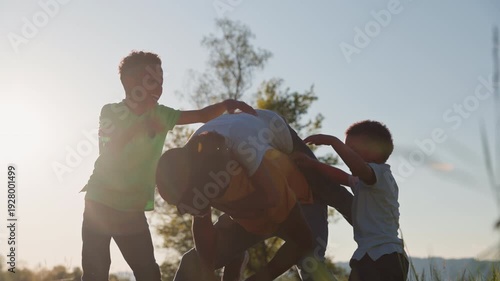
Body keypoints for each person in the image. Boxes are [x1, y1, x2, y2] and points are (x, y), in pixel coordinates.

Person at [80, 50, 256, 281]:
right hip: (99, 203)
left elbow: (201, 115)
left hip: (132, 210)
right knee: (95, 272)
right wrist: (140, 128)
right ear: (131, 83)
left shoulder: (161, 114)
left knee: (149, 273)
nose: (159, 88)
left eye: (161, 82)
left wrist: (225, 105)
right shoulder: (111, 112)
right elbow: (109, 149)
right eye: (151, 81)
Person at [156, 109, 354, 281]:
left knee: (325, 188)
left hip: (272, 128)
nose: (202, 205)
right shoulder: (195, 162)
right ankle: (236, 252)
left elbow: (300, 237)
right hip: (243, 147)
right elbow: (201, 223)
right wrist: (207, 273)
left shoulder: (254, 159)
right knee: (194, 264)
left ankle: (374, 221)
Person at [294, 120, 409, 281]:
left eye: (352, 150)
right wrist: (313, 164)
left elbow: (357, 168)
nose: (348, 155)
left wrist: (333, 142)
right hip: (367, 254)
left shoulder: (380, 176)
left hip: (385, 256)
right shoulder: (366, 181)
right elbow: (345, 177)